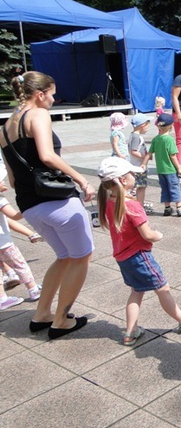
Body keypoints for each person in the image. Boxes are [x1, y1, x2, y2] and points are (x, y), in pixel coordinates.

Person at [0, 71, 95, 338]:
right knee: (81, 256)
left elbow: (14, 180)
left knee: (64, 257)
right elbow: (47, 155)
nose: (54, 100)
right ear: (40, 94)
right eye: (52, 94)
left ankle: (42, 313)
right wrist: (82, 180)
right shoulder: (38, 114)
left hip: (31, 205)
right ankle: (61, 319)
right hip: (57, 201)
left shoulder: (4, 129)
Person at [96, 157, 181, 346]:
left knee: (136, 291)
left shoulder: (109, 202)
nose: (134, 176)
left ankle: (130, 331)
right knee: (163, 288)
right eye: (131, 174)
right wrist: (158, 235)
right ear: (122, 180)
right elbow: (147, 235)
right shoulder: (132, 205)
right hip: (139, 256)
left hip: (123, 257)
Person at [0, 166, 42, 305]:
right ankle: (33, 289)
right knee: (20, 265)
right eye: (1, 181)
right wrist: (27, 206)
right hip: (4, 243)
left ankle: (2, 298)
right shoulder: (0, 200)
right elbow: (14, 216)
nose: (4, 182)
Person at [142, 113, 181, 217]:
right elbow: (173, 156)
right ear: (171, 126)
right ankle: (179, 208)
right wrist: (179, 168)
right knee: (174, 188)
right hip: (170, 170)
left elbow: (149, 154)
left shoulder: (155, 139)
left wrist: (144, 164)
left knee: (165, 189)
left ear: (158, 126)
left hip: (160, 171)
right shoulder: (170, 140)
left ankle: (167, 208)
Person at [128, 114, 153, 213]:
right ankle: (140, 207)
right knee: (141, 187)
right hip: (138, 166)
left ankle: (138, 205)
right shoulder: (136, 137)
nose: (148, 127)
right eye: (148, 124)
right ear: (143, 125)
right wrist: (145, 157)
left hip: (137, 166)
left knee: (138, 186)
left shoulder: (134, 135)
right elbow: (133, 151)